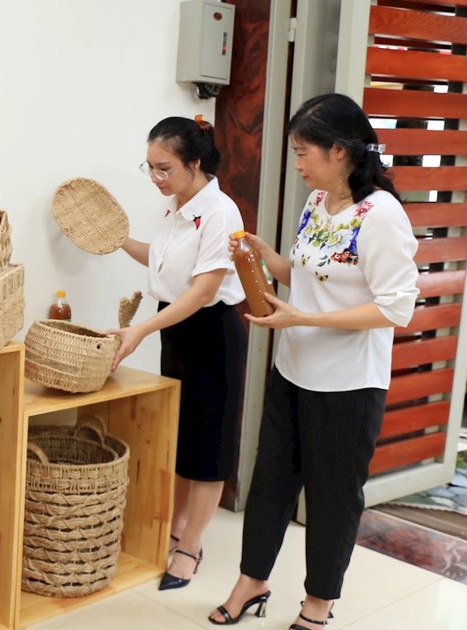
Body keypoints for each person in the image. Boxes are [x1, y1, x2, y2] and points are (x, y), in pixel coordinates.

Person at [208, 93, 419, 629]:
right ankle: (252, 580)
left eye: (304, 153)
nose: (297, 164)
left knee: (331, 498)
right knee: (270, 484)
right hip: (293, 371)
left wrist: (302, 320)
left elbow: (396, 309)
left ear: (341, 151)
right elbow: (304, 277)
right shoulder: (317, 203)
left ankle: (318, 604)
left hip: (348, 385)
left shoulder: (382, 216)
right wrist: (262, 256)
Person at [105, 115, 247, 591]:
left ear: (195, 162)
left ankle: (191, 545)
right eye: (149, 168)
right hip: (177, 330)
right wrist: (118, 239)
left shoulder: (221, 212)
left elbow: (204, 290)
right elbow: (163, 260)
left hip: (211, 333)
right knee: (182, 433)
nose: (155, 179)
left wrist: (142, 328)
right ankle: (179, 525)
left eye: (164, 168)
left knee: (208, 444)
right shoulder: (176, 208)